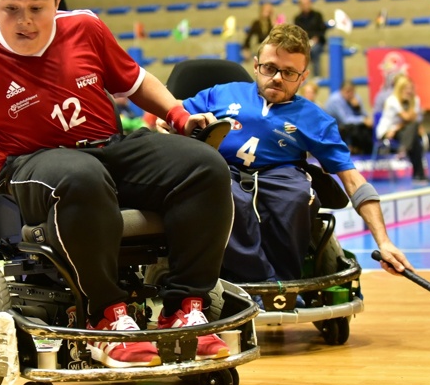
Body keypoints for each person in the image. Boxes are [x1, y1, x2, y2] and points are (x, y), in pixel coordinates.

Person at [0, 0, 233, 368]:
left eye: (37, 7)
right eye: (11, 8)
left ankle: (184, 308)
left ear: (56, 1)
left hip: (107, 147)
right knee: (81, 175)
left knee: (204, 166)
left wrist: (179, 114)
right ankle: (105, 318)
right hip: (29, 163)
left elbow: (133, 82)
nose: (24, 20)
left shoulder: (86, 27)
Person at [173, 23, 414, 288]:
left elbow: (353, 180)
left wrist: (384, 242)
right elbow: (168, 118)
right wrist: (180, 125)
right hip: (222, 168)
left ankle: (286, 284)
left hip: (281, 175)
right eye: (269, 68)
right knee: (223, 194)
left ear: (303, 77)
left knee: (300, 195)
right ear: (256, 66)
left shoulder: (317, 120)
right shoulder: (221, 93)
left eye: (289, 72)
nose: (276, 77)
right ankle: (260, 284)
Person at [375, 75, 429, 184]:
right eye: (406, 88)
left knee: (415, 138)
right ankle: (418, 174)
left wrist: (402, 125)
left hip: (403, 131)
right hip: (388, 131)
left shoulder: (415, 99)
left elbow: (413, 120)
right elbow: (408, 117)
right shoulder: (392, 100)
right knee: (413, 128)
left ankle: (405, 151)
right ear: (400, 88)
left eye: (411, 88)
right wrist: (416, 112)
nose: (409, 91)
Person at [324, 81, 374, 155]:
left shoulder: (356, 97)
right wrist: (363, 120)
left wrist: (358, 108)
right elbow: (345, 120)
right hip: (333, 127)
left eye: (352, 92)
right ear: (341, 91)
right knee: (356, 129)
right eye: (347, 92)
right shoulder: (335, 100)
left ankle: (368, 154)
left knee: (366, 128)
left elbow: (365, 115)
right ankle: (357, 152)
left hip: (349, 126)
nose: (350, 94)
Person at [293, 0, 326, 78]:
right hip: (305, 43)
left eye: (307, 3)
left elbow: (322, 30)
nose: (306, 6)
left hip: (318, 42)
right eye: (303, 4)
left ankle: (317, 76)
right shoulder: (297, 18)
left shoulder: (318, 15)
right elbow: (298, 33)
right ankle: (300, 75)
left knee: (314, 50)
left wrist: (316, 38)